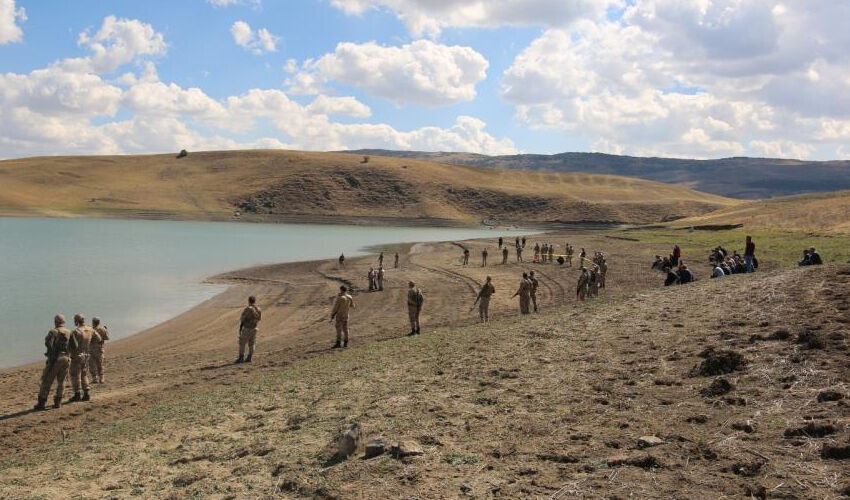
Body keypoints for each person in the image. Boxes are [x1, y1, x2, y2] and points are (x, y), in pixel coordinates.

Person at [34, 314, 76, 410]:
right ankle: (58, 402)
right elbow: (75, 346)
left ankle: (42, 403)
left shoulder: (53, 332)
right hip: (66, 358)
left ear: (55, 322)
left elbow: (48, 344)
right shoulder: (69, 332)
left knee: (47, 380)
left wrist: (51, 355)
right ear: (63, 322)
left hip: (56, 359)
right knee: (62, 381)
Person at [69, 313, 96, 402]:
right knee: (84, 374)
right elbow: (98, 339)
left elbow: (71, 346)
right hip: (86, 354)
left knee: (74, 375)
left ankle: (77, 394)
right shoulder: (90, 329)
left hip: (77, 355)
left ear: (76, 321)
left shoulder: (76, 332)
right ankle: (86, 393)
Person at [236, 296, 261, 363]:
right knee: (252, 343)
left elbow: (242, 318)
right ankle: (249, 357)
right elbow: (259, 319)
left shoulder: (248, 308)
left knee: (242, 343)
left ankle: (241, 358)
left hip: (247, 328)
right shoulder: (258, 309)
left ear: (249, 301)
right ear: (255, 301)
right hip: (254, 328)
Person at [88, 316, 109, 384]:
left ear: (93, 322)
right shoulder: (102, 329)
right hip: (99, 349)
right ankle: (101, 378)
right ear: (99, 322)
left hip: (91, 349)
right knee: (100, 364)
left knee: (92, 365)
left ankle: (95, 378)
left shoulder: (90, 329)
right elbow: (107, 338)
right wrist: (106, 330)